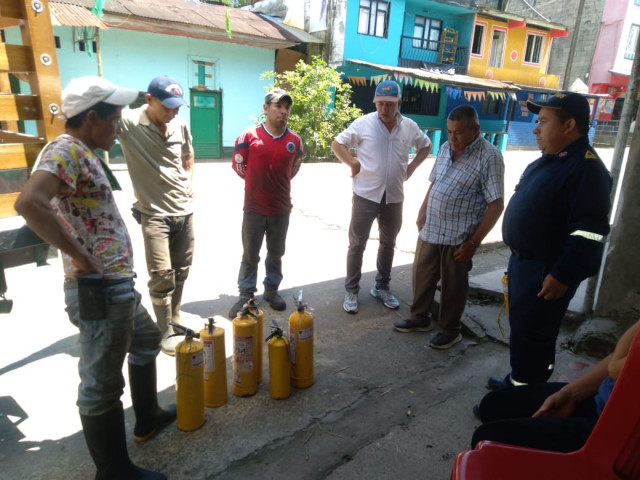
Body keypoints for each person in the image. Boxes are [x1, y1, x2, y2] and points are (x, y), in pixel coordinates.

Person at [14, 76, 174, 479]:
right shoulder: (66, 149)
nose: (119, 126)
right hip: (101, 288)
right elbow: (29, 203)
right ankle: (114, 471)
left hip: (117, 284)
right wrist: (81, 256)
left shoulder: (81, 151)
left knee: (148, 340)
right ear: (90, 119)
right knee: (101, 384)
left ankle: (148, 415)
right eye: (114, 118)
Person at [490, 92, 612, 389]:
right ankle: (517, 382)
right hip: (526, 265)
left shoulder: (587, 170)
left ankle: (524, 399)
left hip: (548, 272)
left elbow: (590, 232)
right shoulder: (551, 161)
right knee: (522, 330)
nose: (535, 128)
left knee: (535, 335)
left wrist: (562, 275)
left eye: (543, 121)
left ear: (569, 125)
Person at [393, 105, 504, 349]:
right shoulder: (445, 148)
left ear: (475, 130)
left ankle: (450, 330)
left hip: (459, 234)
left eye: (458, 133)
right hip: (432, 227)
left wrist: (473, 242)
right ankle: (420, 318)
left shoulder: (490, 156)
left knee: (453, 286)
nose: (452, 138)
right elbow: (435, 182)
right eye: (449, 131)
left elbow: (496, 205)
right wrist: (423, 209)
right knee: (422, 275)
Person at [331, 80, 432, 314]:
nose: (385, 109)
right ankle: (352, 290)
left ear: (399, 103)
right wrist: (352, 162)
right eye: (380, 104)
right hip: (365, 195)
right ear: (375, 103)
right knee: (357, 244)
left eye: (390, 104)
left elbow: (425, 146)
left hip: (394, 197)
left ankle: (382, 287)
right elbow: (338, 144)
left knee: (388, 244)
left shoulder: (409, 127)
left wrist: (413, 166)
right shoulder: (364, 123)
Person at [472, 319, 640, 452]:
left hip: (623, 435)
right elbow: (617, 359)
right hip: (605, 400)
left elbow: (617, 366)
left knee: (485, 441)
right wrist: (570, 394)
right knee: (492, 405)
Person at [118, 75, 195, 356]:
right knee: (163, 275)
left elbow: (188, 154)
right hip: (154, 215)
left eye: (177, 107)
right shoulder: (127, 122)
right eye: (167, 107)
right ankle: (165, 332)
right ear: (149, 100)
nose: (173, 113)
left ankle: (174, 316)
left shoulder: (179, 123)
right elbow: (95, 125)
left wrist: (189, 180)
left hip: (184, 212)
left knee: (182, 270)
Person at [228, 89, 304, 318]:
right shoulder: (248, 136)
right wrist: (256, 182)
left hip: (281, 209)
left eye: (286, 107)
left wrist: (275, 184)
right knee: (250, 254)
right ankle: (246, 295)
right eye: (278, 106)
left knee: (276, 253)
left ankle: (271, 291)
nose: (283, 111)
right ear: (266, 108)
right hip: (254, 208)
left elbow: (294, 168)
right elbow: (239, 166)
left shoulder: (294, 141)